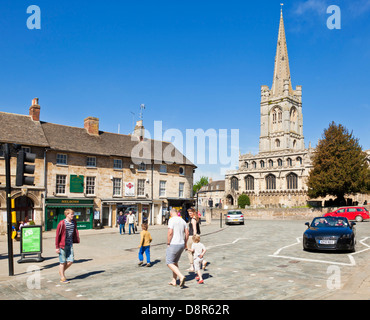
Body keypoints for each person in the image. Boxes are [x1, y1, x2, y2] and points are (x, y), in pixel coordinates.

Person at [55, 209, 80, 284]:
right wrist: (57, 247)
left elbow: (75, 232)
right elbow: (57, 236)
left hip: (70, 244)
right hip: (62, 245)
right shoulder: (62, 223)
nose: (73, 215)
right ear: (67, 214)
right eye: (71, 214)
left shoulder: (74, 222)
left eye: (73, 214)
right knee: (62, 262)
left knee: (71, 261)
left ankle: (61, 271)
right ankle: (62, 277)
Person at [166, 208, 189, 288]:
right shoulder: (182, 220)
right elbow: (187, 233)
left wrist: (168, 242)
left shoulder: (171, 220)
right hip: (181, 244)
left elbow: (170, 232)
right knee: (175, 262)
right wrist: (185, 243)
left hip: (174, 243)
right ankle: (174, 280)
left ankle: (181, 276)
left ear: (171, 213)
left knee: (169, 262)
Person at [186, 208, 200, 272]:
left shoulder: (193, 219)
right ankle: (202, 262)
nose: (189, 214)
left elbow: (194, 229)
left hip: (191, 236)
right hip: (195, 236)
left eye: (190, 213)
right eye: (189, 213)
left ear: (194, 213)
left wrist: (194, 237)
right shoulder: (196, 218)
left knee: (189, 251)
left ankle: (192, 266)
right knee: (195, 251)